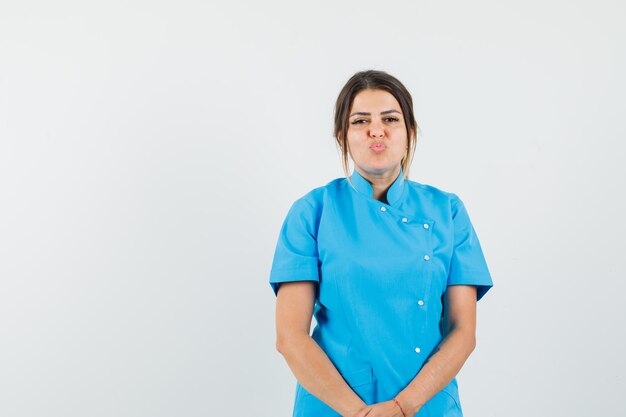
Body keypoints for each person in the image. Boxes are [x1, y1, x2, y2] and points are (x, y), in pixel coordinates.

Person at [269, 69, 493, 417]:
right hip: (334, 406)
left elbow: (463, 331)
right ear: (342, 137)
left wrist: (403, 407)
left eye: (390, 118)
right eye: (360, 121)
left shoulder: (447, 211)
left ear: (409, 133)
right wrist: (359, 413)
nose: (377, 130)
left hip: (427, 404)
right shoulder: (312, 212)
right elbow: (290, 336)